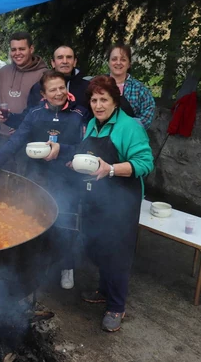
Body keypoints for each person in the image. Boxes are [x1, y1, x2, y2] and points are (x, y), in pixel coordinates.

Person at [53, 75, 153, 332]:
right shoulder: (94, 124)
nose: (98, 105)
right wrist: (76, 161)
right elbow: (91, 155)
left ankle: (117, 306)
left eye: (103, 99)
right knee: (97, 247)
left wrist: (110, 169)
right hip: (96, 199)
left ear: (114, 101)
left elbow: (145, 163)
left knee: (117, 254)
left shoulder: (129, 126)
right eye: (94, 100)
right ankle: (103, 290)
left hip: (121, 202)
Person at [0, 71, 88, 290]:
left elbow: (87, 147)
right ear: (43, 94)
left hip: (68, 178)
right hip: (39, 177)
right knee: (36, 220)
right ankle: (38, 266)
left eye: (61, 88)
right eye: (52, 90)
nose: (58, 93)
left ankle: (67, 266)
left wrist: (66, 152)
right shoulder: (36, 113)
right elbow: (14, 143)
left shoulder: (81, 113)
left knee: (66, 223)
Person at [0, 32, 48, 173]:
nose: (17, 53)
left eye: (22, 49)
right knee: (1, 181)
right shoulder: (2, 72)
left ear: (31, 49)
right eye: (13, 49)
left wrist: (23, 126)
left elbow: (44, 109)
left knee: (23, 183)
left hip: (28, 139)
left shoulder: (44, 75)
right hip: (3, 136)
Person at [107, 43, 155, 129]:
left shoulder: (140, 89)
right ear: (108, 62)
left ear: (129, 64)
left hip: (128, 136)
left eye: (123, 59)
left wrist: (126, 127)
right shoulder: (97, 84)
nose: (118, 63)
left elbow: (147, 115)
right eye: (114, 59)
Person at [27, 45, 90, 111]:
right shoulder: (39, 87)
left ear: (74, 62)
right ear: (53, 63)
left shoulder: (87, 87)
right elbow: (30, 113)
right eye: (60, 58)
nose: (65, 61)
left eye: (69, 57)